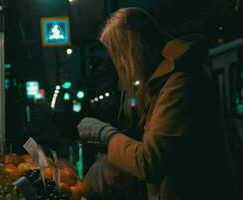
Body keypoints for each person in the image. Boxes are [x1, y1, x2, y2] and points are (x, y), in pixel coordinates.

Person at [77, 7, 239, 200]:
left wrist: (104, 134)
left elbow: (150, 162)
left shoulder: (180, 81)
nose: (120, 64)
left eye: (119, 53)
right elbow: (168, 154)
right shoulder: (164, 80)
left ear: (134, 48)